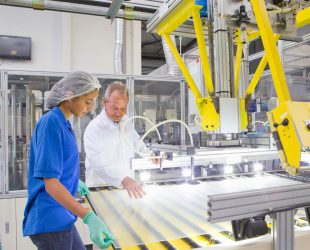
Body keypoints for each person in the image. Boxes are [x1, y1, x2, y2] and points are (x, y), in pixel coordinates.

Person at [22, 71, 114, 250]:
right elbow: (51, 184)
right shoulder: (52, 123)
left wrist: (73, 181)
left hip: (62, 218)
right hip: (50, 219)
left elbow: (58, 167)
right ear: (70, 95)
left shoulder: (64, 124)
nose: (90, 108)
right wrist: (88, 217)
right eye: (87, 102)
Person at [84, 81, 151, 199]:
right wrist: (122, 179)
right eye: (115, 107)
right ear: (105, 102)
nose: (118, 113)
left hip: (125, 188)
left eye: (123, 108)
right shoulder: (95, 127)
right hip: (100, 189)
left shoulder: (126, 121)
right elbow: (97, 162)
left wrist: (149, 155)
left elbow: (136, 142)